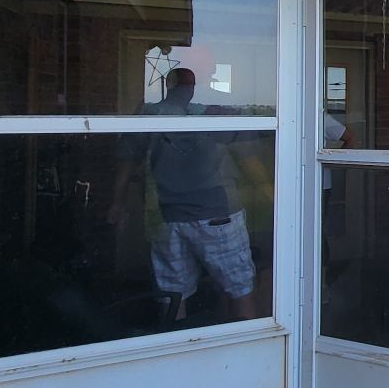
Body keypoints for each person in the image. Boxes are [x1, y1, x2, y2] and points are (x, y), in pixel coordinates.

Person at [107, 67, 270, 321]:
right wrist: (273, 195)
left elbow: (127, 159)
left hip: (167, 216)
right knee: (241, 288)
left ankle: (177, 347)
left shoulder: (150, 112)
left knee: (173, 293)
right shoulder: (217, 112)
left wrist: (117, 203)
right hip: (217, 215)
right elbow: (248, 159)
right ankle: (251, 350)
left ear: (168, 85)